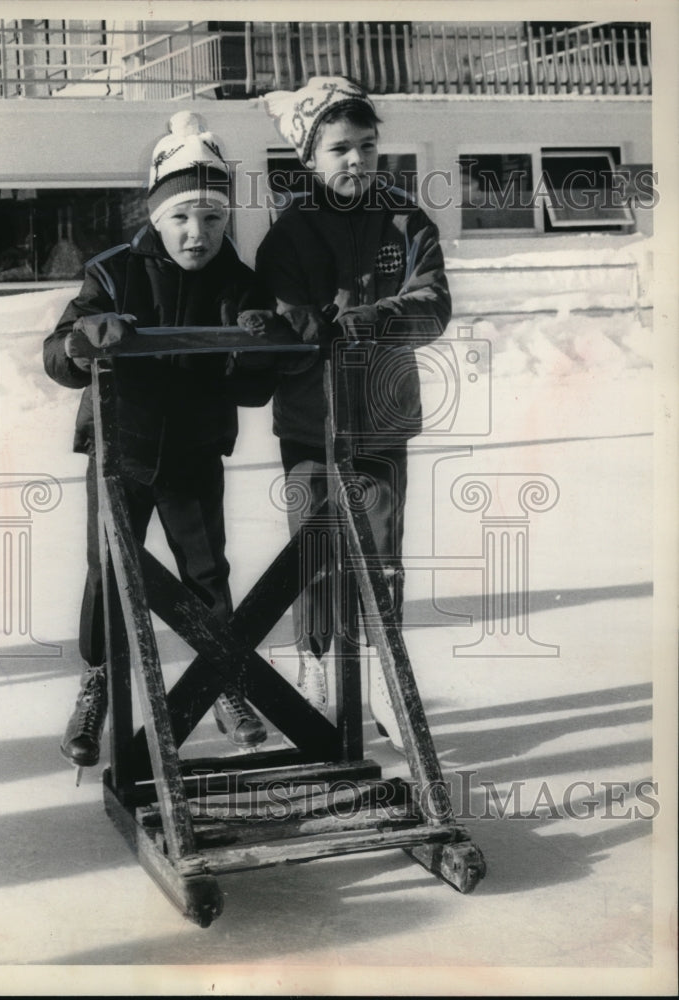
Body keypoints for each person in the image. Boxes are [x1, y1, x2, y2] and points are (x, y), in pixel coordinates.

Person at [44, 111, 283, 769]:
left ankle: (223, 680)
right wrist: (82, 340)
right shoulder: (113, 273)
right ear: (155, 216)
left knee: (205, 574)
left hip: (194, 452)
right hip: (120, 450)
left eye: (211, 218)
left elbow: (249, 390)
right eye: (180, 217)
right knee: (108, 572)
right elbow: (57, 357)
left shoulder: (237, 283)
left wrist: (257, 345)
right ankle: (96, 687)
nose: (196, 233)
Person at [256, 77, 452, 749]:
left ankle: (387, 681)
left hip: (381, 419)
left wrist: (367, 319)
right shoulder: (288, 233)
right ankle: (315, 666)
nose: (356, 162)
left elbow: (431, 305)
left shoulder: (404, 219)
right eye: (339, 148)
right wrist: (305, 322)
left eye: (366, 146)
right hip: (311, 423)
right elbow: (285, 313)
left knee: (380, 557)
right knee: (314, 552)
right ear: (310, 155)